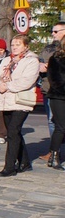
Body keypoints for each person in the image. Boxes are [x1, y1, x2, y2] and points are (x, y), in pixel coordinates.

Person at [0, 34, 39, 177]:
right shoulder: (7, 59)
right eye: (13, 44)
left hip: (20, 101)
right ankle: (24, 162)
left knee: (12, 131)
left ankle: (10, 166)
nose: (15, 47)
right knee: (14, 132)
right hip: (5, 101)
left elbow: (27, 81)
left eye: (18, 44)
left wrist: (7, 86)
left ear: (25, 46)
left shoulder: (31, 61)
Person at [37, 21, 65, 162]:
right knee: (53, 121)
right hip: (51, 90)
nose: (53, 34)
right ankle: (55, 153)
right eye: (52, 31)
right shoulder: (49, 49)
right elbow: (40, 64)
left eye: (56, 31)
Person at [45, 41, 65, 169]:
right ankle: (54, 155)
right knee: (61, 126)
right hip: (58, 96)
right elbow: (53, 79)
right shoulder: (56, 59)